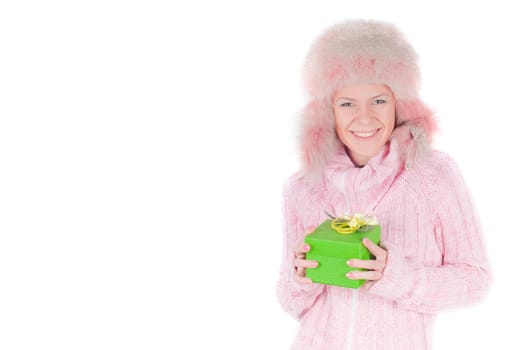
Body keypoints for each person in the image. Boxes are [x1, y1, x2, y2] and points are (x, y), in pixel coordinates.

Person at [276, 19, 492, 349]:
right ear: (328, 111)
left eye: (378, 100)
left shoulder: (433, 175)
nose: (364, 118)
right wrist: (301, 276)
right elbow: (292, 304)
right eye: (347, 103)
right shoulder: (302, 187)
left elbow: (475, 279)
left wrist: (394, 276)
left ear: (399, 104)